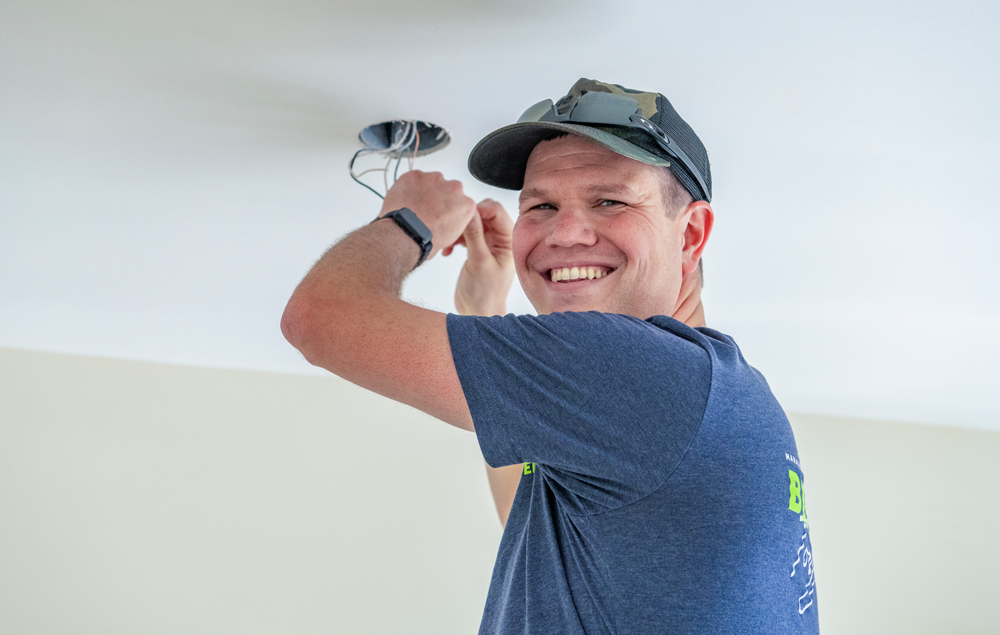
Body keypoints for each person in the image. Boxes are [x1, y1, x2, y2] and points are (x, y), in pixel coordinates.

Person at [281, 78, 819, 634]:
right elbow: (534, 521)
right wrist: (483, 308)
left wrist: (408, 223)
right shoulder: (709, 395)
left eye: (609, 200)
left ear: (690, 236)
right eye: (540, 205)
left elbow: (317, 318)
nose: (564, 232)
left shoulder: (644, 374)